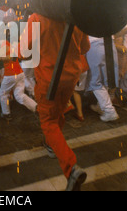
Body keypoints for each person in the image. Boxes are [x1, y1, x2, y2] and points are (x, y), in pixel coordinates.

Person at [21, 13, 90, 191]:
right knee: (57, 113)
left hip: (48, 79)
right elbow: (84, 48)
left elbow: (23, 51)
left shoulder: (37, 17)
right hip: (71, 77)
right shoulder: (76, 14)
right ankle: (52, 144)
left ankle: (71, 168)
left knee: (48, 121)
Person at [0, 38, 38, 121]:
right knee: (19, 95)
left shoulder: (4, 44)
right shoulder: (9, 44)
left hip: (10, 75)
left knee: (2, 93)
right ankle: (35, 107)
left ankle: (6, 114)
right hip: (20, 73)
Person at [85, 36, 120, 122]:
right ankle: (101, 106)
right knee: (106, 77)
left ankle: (109, 111)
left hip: (93, 44)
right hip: (109, 43)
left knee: (95, 81)